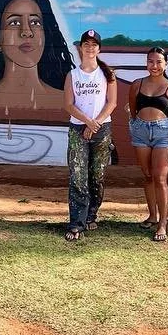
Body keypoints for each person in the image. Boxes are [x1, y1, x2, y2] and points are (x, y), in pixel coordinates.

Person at [63, 30, 117, 241]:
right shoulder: (72, 75)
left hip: (101, 131)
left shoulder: (107, 74)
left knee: (97, 176)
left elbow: (111, 103)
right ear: (80, 48)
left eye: (94, 44)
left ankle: (91, 215)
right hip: (78, 130)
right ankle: (76, 222)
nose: (90, 48)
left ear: (99, 48)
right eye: (86, 44)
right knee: (78, 176)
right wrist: (87, 122)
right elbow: (68, 104)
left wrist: (94, 125)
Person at [126, 47, 168, 242]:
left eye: (158, 62)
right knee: (148, 176)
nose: (154, 66)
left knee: (160, 178)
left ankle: (163, 223)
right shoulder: (136, 84)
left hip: (162, 133)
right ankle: (152, 215)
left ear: (166, 64)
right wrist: (137, 124)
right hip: (140, 131)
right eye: (151, 61)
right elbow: (133, 109)